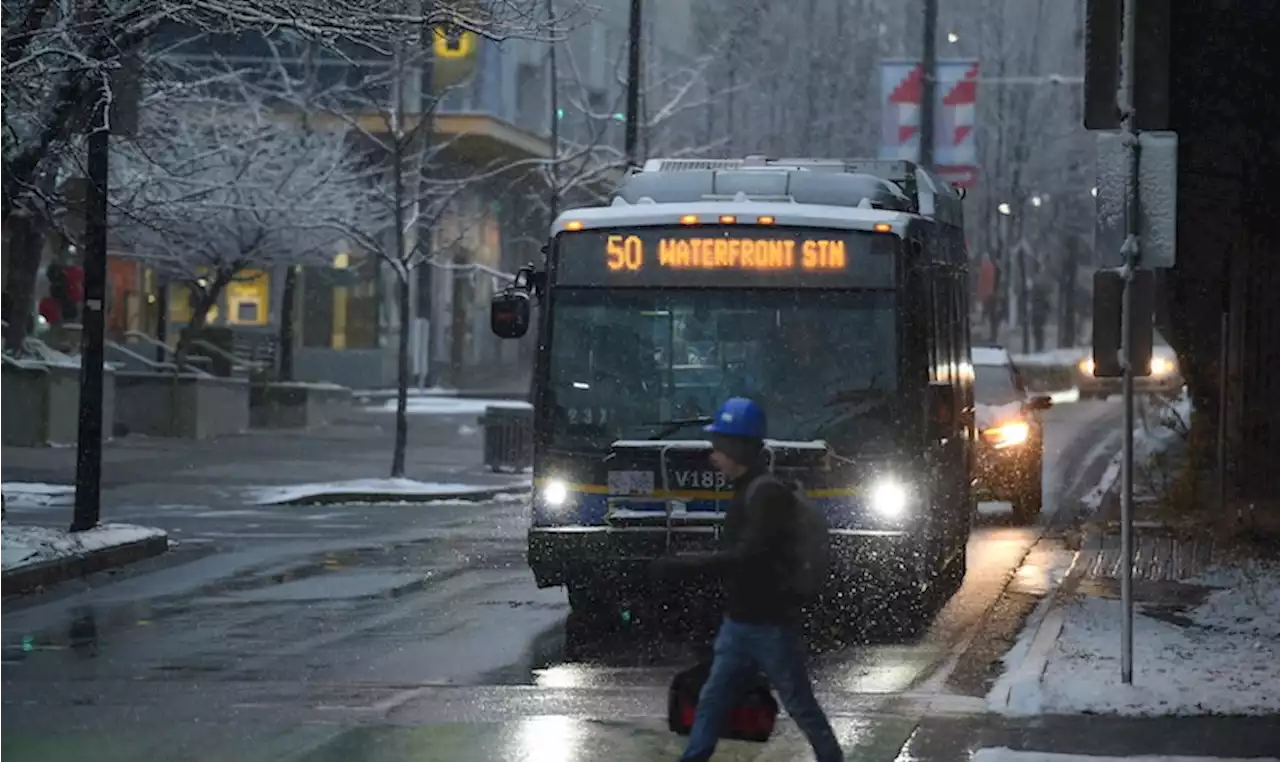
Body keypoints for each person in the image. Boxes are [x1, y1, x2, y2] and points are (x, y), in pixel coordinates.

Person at [650, 397, 842, 762]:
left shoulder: (766, 494)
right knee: (712, 698)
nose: (713, 457)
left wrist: (686, 565)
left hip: (770, 625)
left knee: (800, 704)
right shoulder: (747, 491)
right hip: (740, 623)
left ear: (737, 449)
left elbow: (749, 556)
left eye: (719, 448)